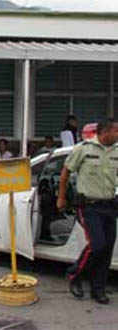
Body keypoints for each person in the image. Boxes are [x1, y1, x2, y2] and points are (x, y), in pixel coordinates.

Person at [56, 118, 117, 305]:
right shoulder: (83, 149)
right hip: (89, 206)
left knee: (106, 249)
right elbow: (65, 173)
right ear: (105, 132)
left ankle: (98, 289)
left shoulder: (116, 151)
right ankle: (74, 274)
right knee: (96, 245)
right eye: (116, 131)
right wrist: (61, 197)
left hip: (110, 205)